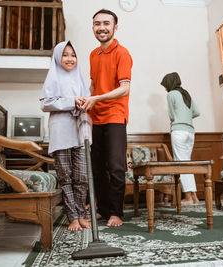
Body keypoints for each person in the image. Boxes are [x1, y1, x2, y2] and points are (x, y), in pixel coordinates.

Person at [81, 9, 133, 227]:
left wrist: (98, 98)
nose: (101, 27)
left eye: (106, 23)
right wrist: (86, 100)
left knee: (116, 167)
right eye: (97, 23)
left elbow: (125, 88)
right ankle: (102, 209)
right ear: (93, 27)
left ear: (115, 27)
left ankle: (116, 213)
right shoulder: (93, 54)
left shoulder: (123, 53)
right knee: (97, 167)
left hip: (115, 115)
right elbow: (93, 85)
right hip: (95, 117)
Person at [40, 41, 91, 231]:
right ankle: (73, 217)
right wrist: (72, 101)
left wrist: (84, 103)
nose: (70, 59)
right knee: (66, 176)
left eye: (73, 55)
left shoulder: (79, 77)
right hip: (61, 131)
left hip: (80, 130)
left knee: (82, 176)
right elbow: (45, 103)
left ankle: (81, 214)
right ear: (57, 57)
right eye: (65, 55)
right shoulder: (53, 77)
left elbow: (86, 99)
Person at [161, 72, 200, 205]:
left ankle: (188, 197)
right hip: (190, 132)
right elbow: (197, 112)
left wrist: (178, 118)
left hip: (178, 131)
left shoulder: (171, 94)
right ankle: (194, 197)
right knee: (187, 163)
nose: (165, 88)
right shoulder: (186, 94)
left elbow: (172, 115)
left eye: (165, 85)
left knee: (181, 164)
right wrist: (185, 117)